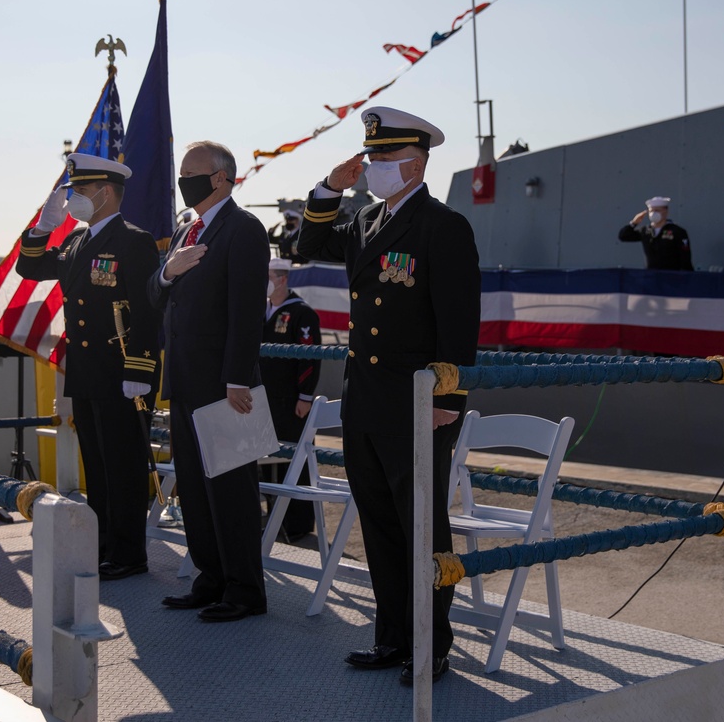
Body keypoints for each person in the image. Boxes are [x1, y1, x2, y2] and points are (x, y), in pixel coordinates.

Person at [297, 106, 481, 685]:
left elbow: (458, 321)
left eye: (382, 158)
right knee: (377, 523)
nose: (372, 165)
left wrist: (449, 399)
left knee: (422, 526)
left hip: (419, 403)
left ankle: (432, 646)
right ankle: (392, 638)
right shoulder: (365, 223)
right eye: (370, 156)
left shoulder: (442, 226)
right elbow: (310, 240)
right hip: (367, 399)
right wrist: (331, 187)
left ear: (415, 161)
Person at [16, 153, 161, 580]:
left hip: (122, 372)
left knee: (124, 465)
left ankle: (130, 554)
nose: (73, 198)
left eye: (80, 190)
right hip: (86, 370)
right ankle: (104, 546)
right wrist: (42, 229)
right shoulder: (77, 241)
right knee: (96, 466)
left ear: (106, 192)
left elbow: (148, 311)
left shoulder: (134, 240)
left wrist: (139, 370)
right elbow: (29, 267)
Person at [147, 140, 270, 622]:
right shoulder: (185, 232)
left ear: (221, 178)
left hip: (225, 386)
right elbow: (158, 299)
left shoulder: (244, 229)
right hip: (184, 381)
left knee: (232, 491)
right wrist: (165, 274)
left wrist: (237, 378)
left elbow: (245, 313)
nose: (184, 182)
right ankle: (210, 577)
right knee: (195, 489)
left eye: (191, 173)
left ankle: (244, 589)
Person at [258, 257, 321, 540]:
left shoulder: (301, 313)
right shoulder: (263, 310)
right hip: (264, 400)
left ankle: (297, 524)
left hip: (292, 400)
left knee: (294, 458)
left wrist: (306, 395)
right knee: (267, 459)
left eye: (269, 275)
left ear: (282, 279)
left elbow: (309, 358)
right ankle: (272, 516)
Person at [618, 196, 693, 270]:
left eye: (657, 210)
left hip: (671, 276)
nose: (653, 214)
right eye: (651, 211)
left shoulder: (677, 231)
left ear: (666, 211)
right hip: (651, 276)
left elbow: (685, 258)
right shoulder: (646, 230)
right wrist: (634, 223)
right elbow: (623, 236)